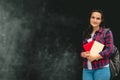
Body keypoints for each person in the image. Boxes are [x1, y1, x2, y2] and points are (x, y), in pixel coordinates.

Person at [80, 9, 114, 80]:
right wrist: (83, 54)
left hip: (101, 69)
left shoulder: (107, 32)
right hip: (87, 69)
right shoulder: (86, 33)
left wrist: (95, 56)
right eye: (93, 17)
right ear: (90, 18)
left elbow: (110, 50)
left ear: (101, 20)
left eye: (98, 18)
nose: (95, 20)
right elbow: (83, 50)